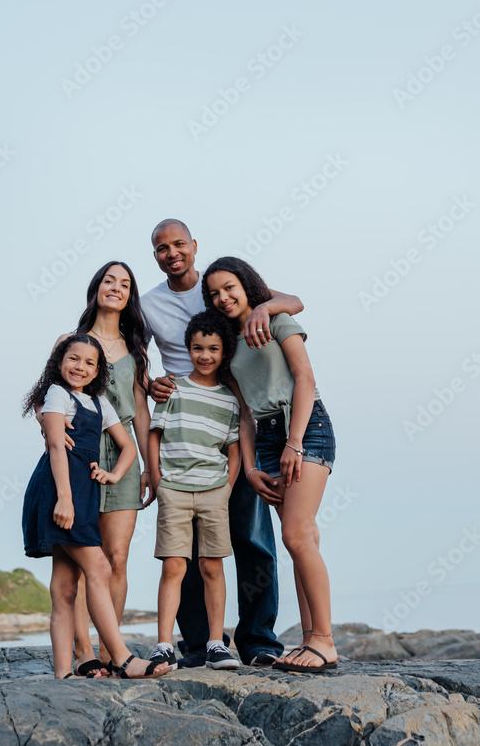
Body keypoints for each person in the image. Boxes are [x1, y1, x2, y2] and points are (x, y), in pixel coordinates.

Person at [141, 219, 303, 667]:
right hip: (184, 424)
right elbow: (133, 355)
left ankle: (258, 641)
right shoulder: (149, 304)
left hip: (239, 414)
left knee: (252, 538)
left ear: (194, 246)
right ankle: (200, 643)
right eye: (161, 248)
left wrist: (262, 310)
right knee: (188, 551)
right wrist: (152, 382)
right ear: (154, 255)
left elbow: (293, 301)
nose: (171, 253)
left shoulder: (218, 284)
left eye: (178, 245)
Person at [203, 257, 337, 673]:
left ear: (245, 284)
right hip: (264, 439)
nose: (223, 297)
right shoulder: (231, 343)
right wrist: (248, 468)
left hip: (304, 426)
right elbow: (244, 413)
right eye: (213, 294)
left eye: (229, 287)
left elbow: (305, 379)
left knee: (297, 536)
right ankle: (311, 638)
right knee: (301, 539)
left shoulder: (275, 319)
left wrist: (294, 443)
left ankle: (325, 642)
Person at [21, 333, 170, 680]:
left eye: (90, 363)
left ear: (99, 370)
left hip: (84, 492)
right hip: (60, 490)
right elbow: (56, 447)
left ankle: (63, 674)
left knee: (65, 586)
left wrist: (114, 474)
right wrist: (64, 498)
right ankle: (122, 657)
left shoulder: (99, 402)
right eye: (73, 359)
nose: (80, 367)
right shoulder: (57, 394)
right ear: (60, 362)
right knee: (99, 569)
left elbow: (128, 446)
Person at [45, 261, 154, 676]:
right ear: (96, 287)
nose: (116, 288)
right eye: (109, 280)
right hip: (80, 449)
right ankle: (85, 654)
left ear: (130, 296)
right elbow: (46, 390)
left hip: (124, 453)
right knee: (77, 561)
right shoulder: (70, 341)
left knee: (117, 557)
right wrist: (45, 422)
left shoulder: (136, 349)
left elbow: (141, 411)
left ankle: (113, 652)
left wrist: (149, 467)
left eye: (125, 284)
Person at [148, 311, 241, 670]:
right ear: (188, 349)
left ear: (223, 352)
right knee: (173, 567)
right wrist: (158, 480)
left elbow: (232, 447)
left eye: (213, 349)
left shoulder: (229, 400)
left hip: (213, 490)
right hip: (174, 489)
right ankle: (163, 645)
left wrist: (227, 488)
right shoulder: (173, 389)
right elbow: (154, 434)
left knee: (212, 567)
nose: (205, 355)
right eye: (198, 348)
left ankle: (217, 644)